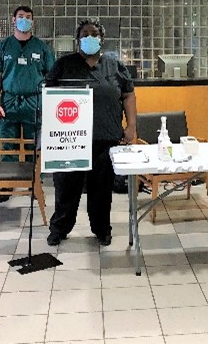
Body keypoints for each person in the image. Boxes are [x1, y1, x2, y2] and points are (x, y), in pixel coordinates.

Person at [46, 19, 137, 246]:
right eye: (84, 34)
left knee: (101, 189)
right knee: (66, 187)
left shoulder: (114, 66)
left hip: (105, 137)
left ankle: (101, 229)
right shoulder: (64, 65)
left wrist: (131, 125)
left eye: (93, 34)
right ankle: (59, 228)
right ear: (78, 40)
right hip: (69, 139)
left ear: (101, 39)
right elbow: (48, 95)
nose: (89, 37)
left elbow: (128, 95)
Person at [0, 5, 55, 202]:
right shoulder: (3, 47)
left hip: (35, 103)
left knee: (34, 147)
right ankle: (5, 186)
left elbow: (51, 78)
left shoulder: (42, 48)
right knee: (8, 147)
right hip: (8, 103)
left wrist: (48, 106)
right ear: (13, 20)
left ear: (32, 22)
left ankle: (34, 184)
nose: (24, 19)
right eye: (20, 16)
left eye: (28, 17)